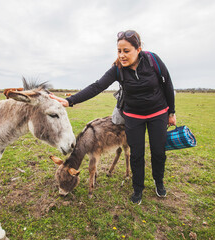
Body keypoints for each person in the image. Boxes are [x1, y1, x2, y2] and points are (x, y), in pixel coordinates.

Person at [50, 30, 176, 204]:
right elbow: (96, 86)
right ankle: (138, 188)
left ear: (138, 49)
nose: (122, 55)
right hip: (133, 116)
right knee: (137, 154)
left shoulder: (153, 60)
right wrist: (69, 101)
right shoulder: (117, 69)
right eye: (119, 51)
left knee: (158, 152)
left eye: (126, 51)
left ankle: (158, 181)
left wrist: (172, 112)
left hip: (158, 113)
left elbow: (167, 83)